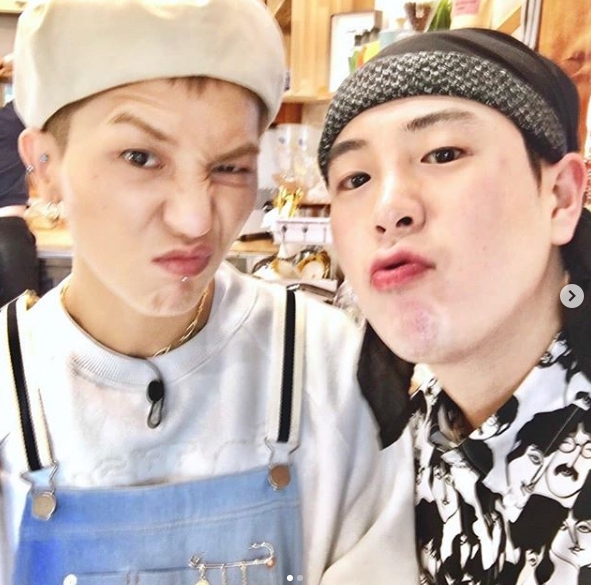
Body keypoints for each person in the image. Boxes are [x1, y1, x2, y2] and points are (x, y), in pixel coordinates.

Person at [0, 1, 419, 584]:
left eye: (230, 168)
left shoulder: (329, 365)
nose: (196, 219)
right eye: (141, 158)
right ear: (44, 165)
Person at [318, 27, 591, 584]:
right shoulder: (398, 452)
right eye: (356, 178)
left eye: (443, 154)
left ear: (561, 197)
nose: (388, 209)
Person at [0, 53, 38, 307]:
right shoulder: (10, 120)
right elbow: (43, 84)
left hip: (8, 234)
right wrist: (18, 63)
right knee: (22, 323)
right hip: (7, 235)